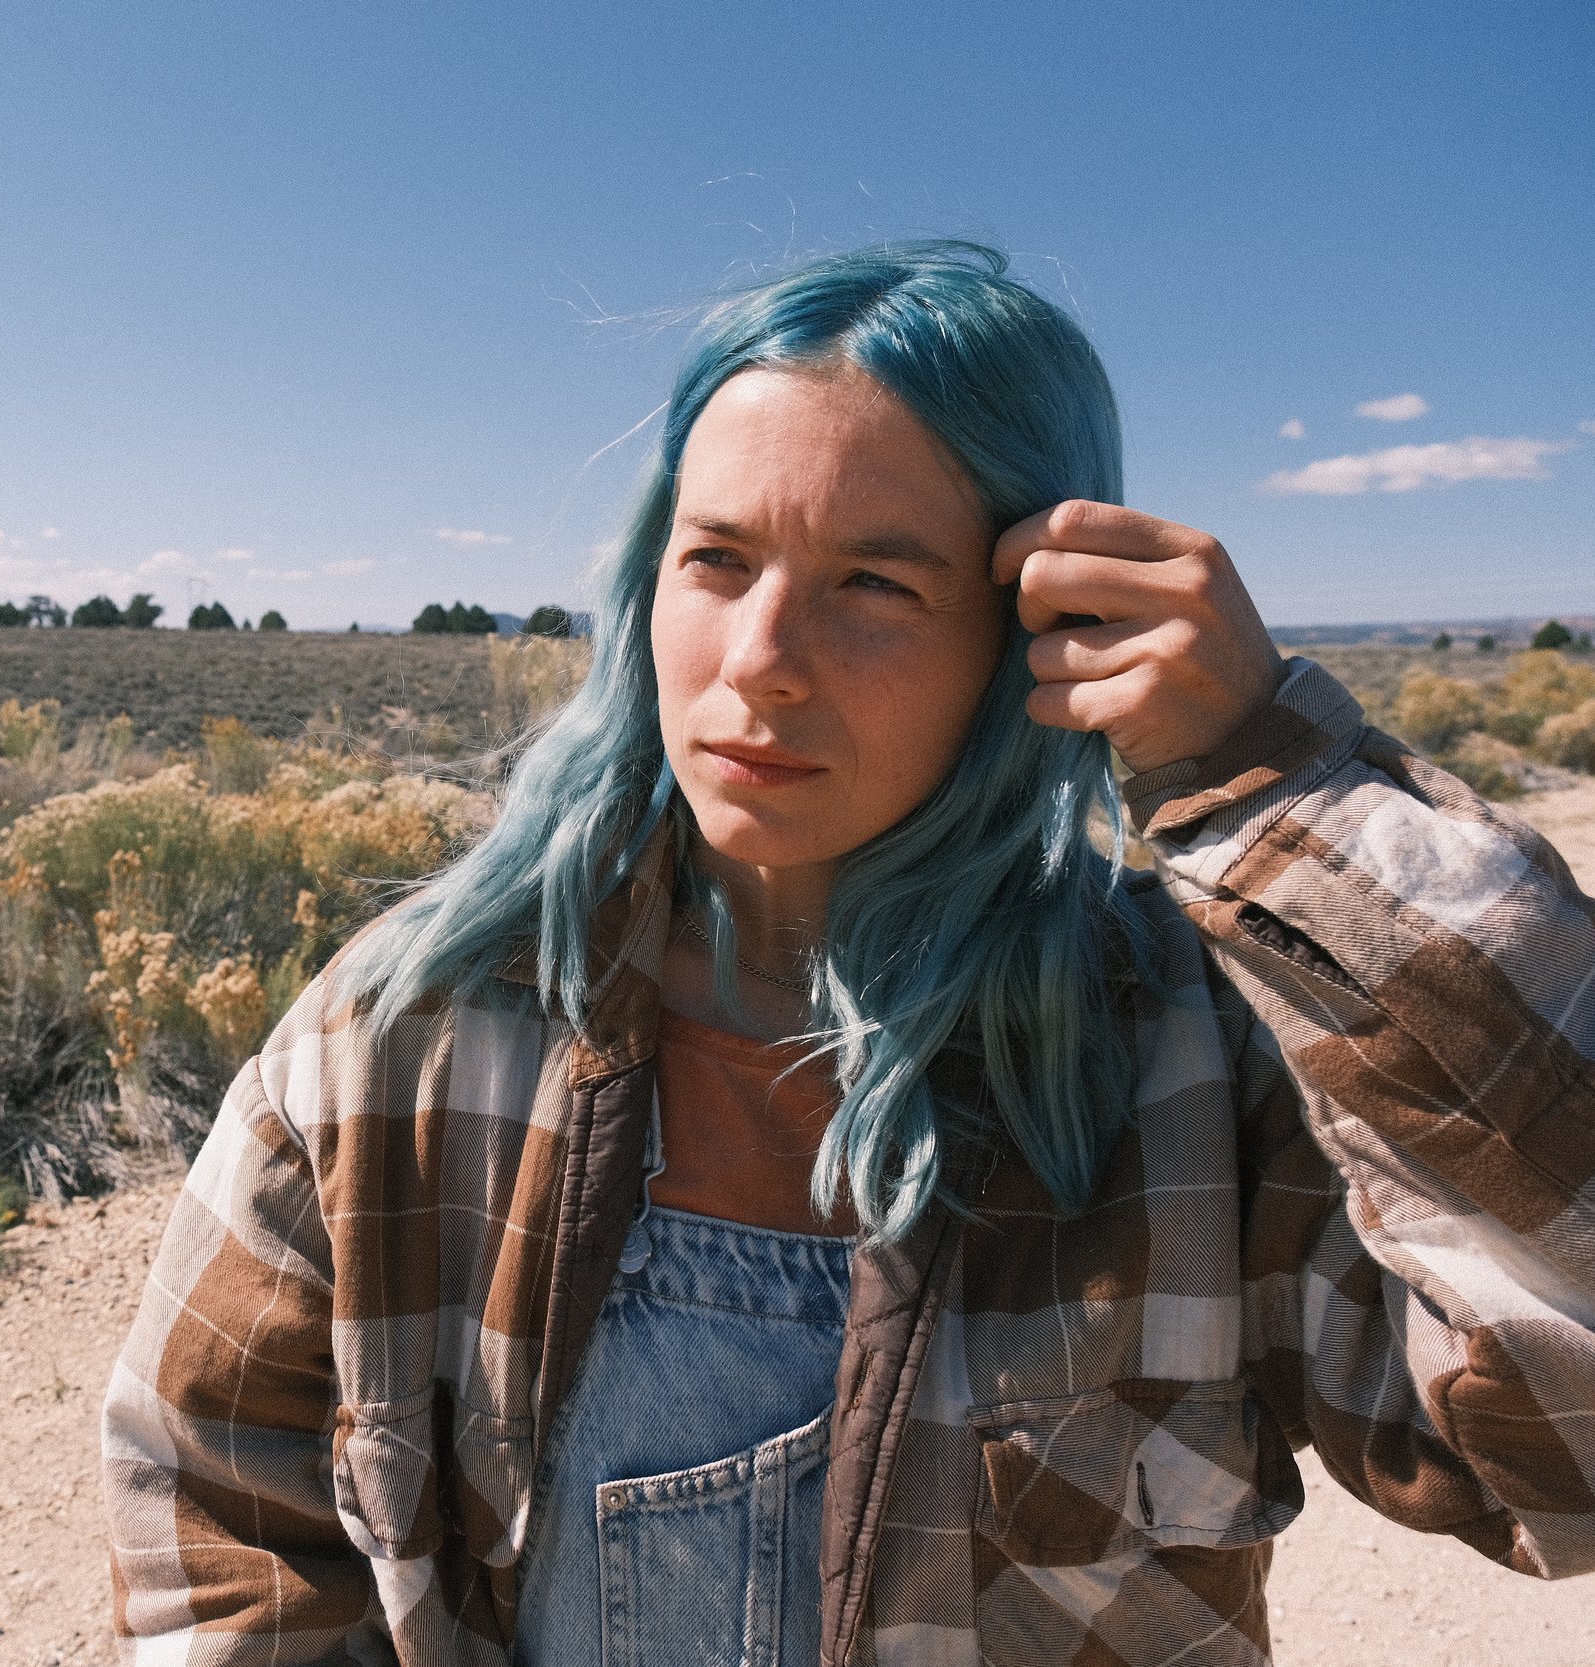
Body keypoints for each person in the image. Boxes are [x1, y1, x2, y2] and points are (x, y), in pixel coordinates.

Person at [98, 243, 1595, 1666]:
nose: (760, 659)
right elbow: (213, 1510)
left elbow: (1561, 1449)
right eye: (719, 560)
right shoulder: (406, 1046)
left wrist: (1284, 791)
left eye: (876, 583)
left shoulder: (1184, 1061)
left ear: (1037, 634)